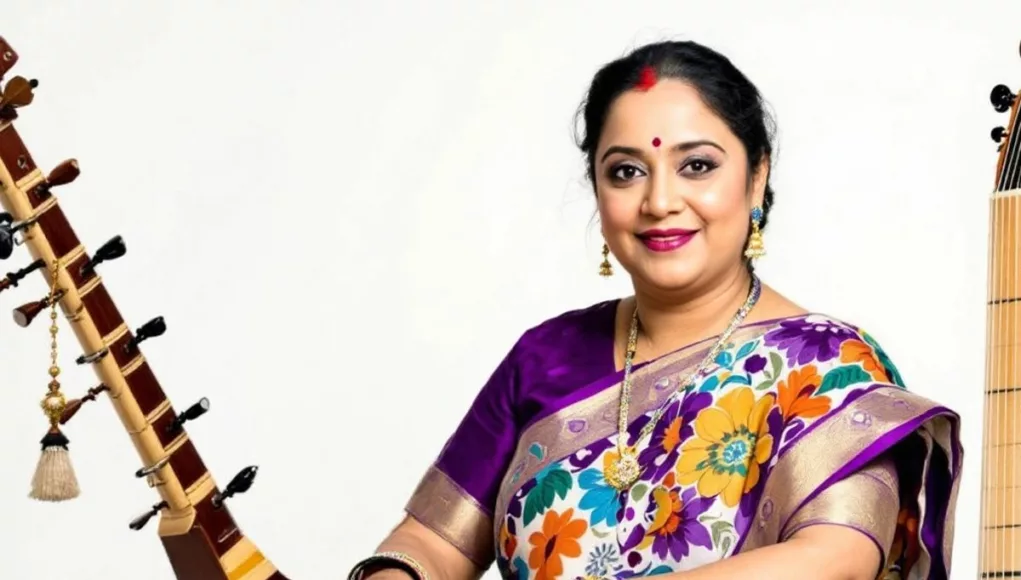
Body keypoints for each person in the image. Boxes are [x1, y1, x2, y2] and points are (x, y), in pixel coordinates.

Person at [347, 39, 962, 580]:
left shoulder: (831, 368)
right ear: (597, 190)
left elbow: (834, 561)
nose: (660, 200)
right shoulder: (546, 358)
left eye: (696, 166)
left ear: (755, 179)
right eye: (626, 172)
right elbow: (429, 540)